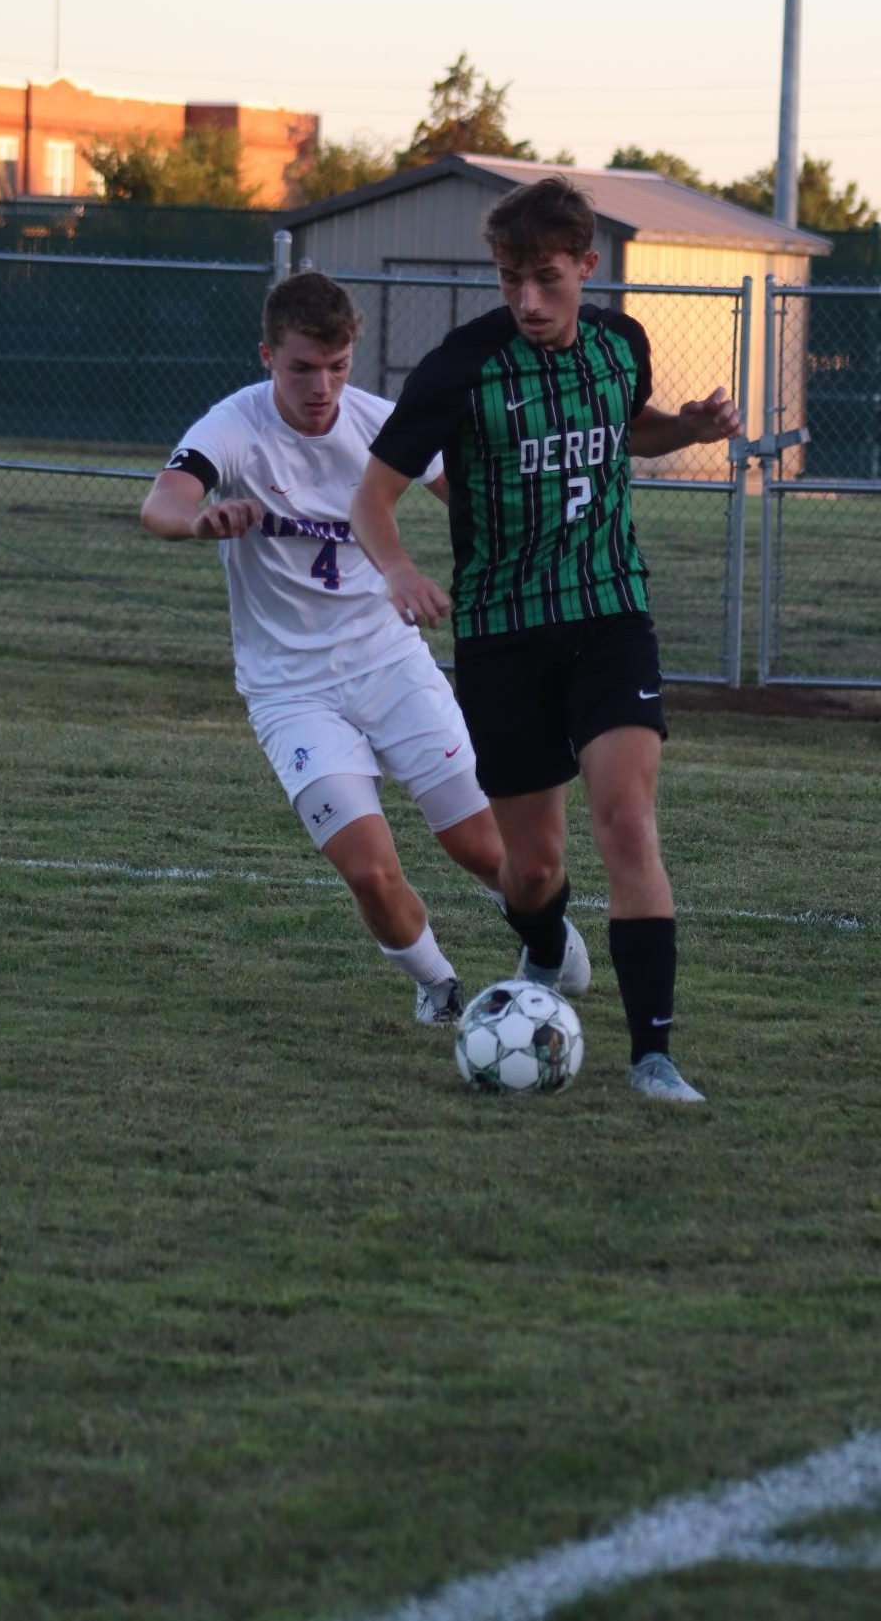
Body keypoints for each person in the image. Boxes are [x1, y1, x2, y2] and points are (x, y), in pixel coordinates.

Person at [351, 175, 740, 1102]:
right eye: (510, 278)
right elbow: (371, 496)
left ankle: (653, 1055)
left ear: (587, 267)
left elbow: (628, 429)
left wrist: (684, 427)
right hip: (502, 634)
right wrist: (400, 570)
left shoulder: (620, 342)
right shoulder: (460, 367)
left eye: (548, 278)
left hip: (609, 613)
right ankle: (543, 947)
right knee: (533, 868)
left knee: (628, 821)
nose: (527, 299)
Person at [140, 269, 534, 1027]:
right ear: (267, 355)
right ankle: (440, 987)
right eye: (302, 367)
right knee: (367, 869)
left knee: (483, 847)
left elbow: (475, 499)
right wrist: (198, 522)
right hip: (290, 690)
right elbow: (161, 501)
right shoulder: (233, 426)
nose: (322, 385)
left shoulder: (384, 424)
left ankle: (548, 948)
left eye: (339, 365)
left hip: (389, 663)